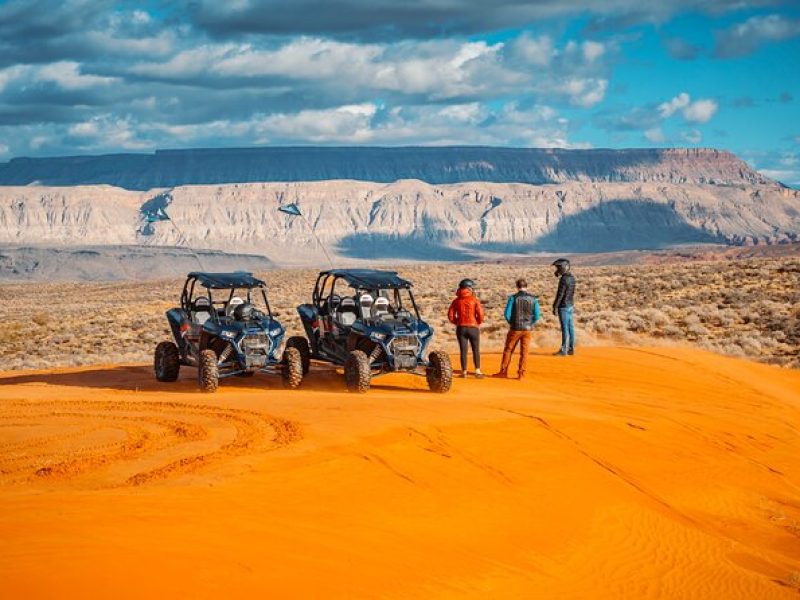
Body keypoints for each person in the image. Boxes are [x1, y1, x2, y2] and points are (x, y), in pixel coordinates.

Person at [493, 278, 540, 379]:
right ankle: (521, 374)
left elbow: (506, 314)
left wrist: (512, 323)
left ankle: (503, 372)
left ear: (517, 286)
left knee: (508, 350)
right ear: (526, 286)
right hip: (527, 329)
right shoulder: (533, 299)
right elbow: (537, 315)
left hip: (515, 328)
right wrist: (530, 323)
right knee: (524, 352)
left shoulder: (513, 298)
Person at [447, 279, 485, 379]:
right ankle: (477, 371)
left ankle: (464, 372)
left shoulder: (456, 301)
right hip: (473, 328)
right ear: (469, 288)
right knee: (475, 349)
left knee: (463, 350)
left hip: (461, 328)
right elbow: (480, 314)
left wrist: (458, 322)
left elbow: (450, 315)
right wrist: (478, 322)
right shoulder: (475, 300)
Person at [552, 258, 576, 356]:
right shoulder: (572, 278)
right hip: (570, 305)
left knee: (565, 328)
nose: (557, 269)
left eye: (558, 267)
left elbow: (560, 294)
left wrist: (555, 306)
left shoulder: (564, 279)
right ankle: (571, 349)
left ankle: (563, 350)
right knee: (570, 328)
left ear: (564, 267)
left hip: (563, 307)